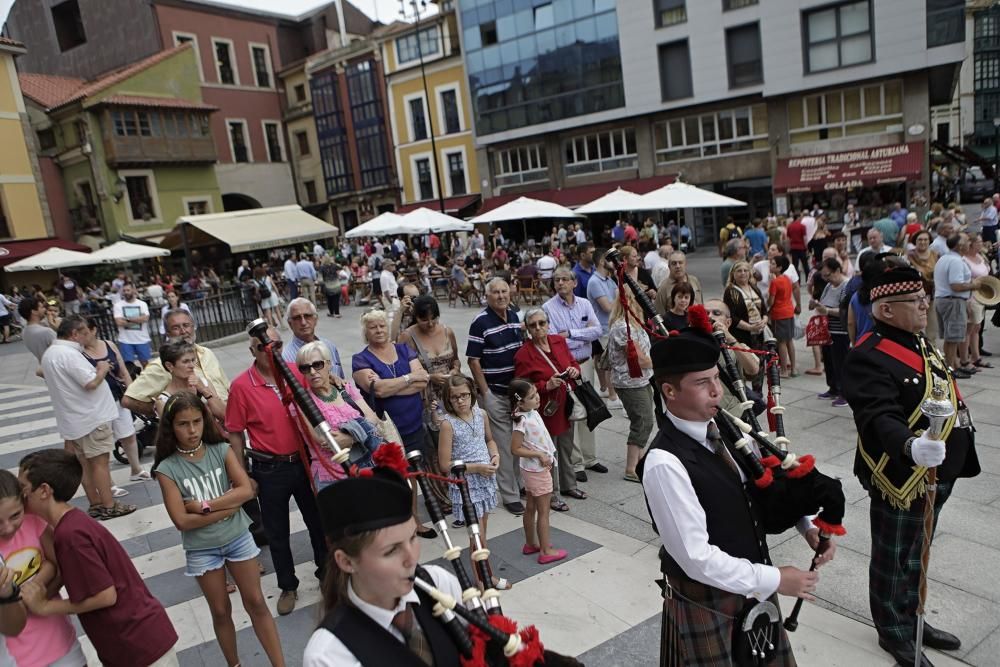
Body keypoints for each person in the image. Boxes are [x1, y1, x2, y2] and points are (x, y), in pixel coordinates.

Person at [638, 320, 831, 666]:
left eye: (716, 377)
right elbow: (695, 557)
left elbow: (764, 483)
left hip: (751, 587)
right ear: (669, 391)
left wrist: (807, 525)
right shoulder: (664, 463)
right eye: (702, 382)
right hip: (709, 599)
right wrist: (775, 579)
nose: (716, 390)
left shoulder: (724, 427)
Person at [842, 266, 980, 667]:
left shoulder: (916, 340)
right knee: (895, 555)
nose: (925, 304)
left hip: (938, 468)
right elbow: (877, 414)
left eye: (924, 298)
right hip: (901, 472)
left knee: (919, 550)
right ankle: (894, 630)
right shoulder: (866, 355)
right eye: (915, 301)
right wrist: (909, 445)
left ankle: (913, 612)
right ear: (885, 309)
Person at [153, 391, 285, 667]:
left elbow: (246, 490)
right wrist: (228, 507)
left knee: (257, 603)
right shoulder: (167, 469)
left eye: (197, 421)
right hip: (202, 548)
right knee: (221, 611)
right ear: (170, 427)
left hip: (237, 538)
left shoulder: (221, 450)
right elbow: (182, 522)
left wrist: (202, 506)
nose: (191, 430)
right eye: (183, 424)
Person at [18, 449, 178, 667]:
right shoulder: (73, 522)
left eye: (23, 489)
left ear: (44, 490)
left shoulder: (69, 536)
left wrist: (45, 607)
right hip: (141, 637)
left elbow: (105, 596)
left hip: (135, 645)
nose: (20, 497)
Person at [301, 464, 468, 666]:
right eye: (391, 550)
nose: (412, 558)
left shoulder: (438, 583)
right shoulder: (329, 655)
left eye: (413, 537)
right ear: (346, 561)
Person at [225, 326, 329, 617]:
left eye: (277, 345)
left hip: (305, 462)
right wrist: (242, 475)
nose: (271, 351)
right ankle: (288, 585)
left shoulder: (297, 373)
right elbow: (234, 433)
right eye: (262, 347)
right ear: (252, 351)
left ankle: (326, 573)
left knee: (317, 522)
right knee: (276, 532)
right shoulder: (241, 386)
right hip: (269, 468)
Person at [351, 310, 437, 539]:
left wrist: (393, 387)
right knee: (391, 477)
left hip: (413, 424)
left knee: (411, 473)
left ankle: (413, 519)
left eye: (382, 326)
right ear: (365, 332)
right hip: (385, 429)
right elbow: (377, 390)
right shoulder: (360, 359)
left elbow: (423, 381)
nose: (379, 330)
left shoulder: (403, 349)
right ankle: (394, 523)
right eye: (373, 327)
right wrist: (408, 379)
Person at [41, 316, 136, 521]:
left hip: (73, 418)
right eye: (84, 332)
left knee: (84, 464)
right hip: (91, 416)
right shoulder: (70, 354)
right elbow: (90, 383)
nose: (88, 336)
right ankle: (110, 506)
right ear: (74, 334)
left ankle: (95, 504)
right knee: (100, 463)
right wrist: (101, 369)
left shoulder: (51, 353)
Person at [0, 468, 84, 667]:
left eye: (15, 516)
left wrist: (36, 590)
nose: (8, 528)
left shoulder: (34, 522)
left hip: (59, 639)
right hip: (15, 654)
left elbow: (57, 564)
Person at [437, 375, 509, 589]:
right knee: (476, 536)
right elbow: (444, 464)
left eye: (465, 395)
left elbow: (489, 439)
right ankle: (483, 580)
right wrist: (475, 467)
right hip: (466, 483)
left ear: (472, 394)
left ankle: (485, 577)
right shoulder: (448, 425)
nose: (461, 401)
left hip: (485, 479)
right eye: (455, 397)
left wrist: (494, 454)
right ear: (448, 400)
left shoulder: (481, 414)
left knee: (482, 533)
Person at [514, 307, 583, 512]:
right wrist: (546, 385)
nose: (538, 328)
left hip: (565, 403)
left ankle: (570, 485)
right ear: (527, 328)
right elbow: (521, 385)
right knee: (547, 451)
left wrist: (574, 370)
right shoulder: (523, 354)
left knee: (566, 446)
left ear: (548, 324)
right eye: (533, 325)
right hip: (545, 408)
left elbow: (573, 363)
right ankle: (551, 494)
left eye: (541, 323)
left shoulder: (558, 341)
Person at [466, 279, 525, 516]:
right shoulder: (480, 322)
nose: (501, 296)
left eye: (504, 291)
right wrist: (486, 393)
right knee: (503, 445)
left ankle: (520, 485)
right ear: (487, 296)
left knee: (519, 442)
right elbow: (473, 360)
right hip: (496, 392)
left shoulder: (513, 316)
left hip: (516, 395)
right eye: (496, 292)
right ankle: (510, 494)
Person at [543, 267, 607, 482]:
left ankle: (590, 458)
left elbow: (598, 331)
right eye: (556, 280)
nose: (560, 283)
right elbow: (553, 340)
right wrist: (583, 335)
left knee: (590, 408)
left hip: (586, 363)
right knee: (573, 412)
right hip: (565, 368)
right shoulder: (548, 308)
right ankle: (576, 463)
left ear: (574, 283)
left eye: (564, 279)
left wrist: (570, 333)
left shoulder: (585, 304)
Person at [295, 341, 383, 490]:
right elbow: (325, 441)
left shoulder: (345, 387)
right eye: (305, 368)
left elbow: (372, 417)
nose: (312, 372)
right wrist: (361, 429)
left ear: (328, 364)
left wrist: (351, 437)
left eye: (317, 365)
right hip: (332, 477)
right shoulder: (302, 403)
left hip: (368, 467)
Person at [123, 309, 231, 417]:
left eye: (186, 325)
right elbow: (128, 400)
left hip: (229, 416)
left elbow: (226, 385)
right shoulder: (160, 365)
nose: (183, 331)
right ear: (168, 333)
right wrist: (168, 413)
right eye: (176, 328)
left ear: (193, 327)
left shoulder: (206, 352)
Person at [81, 317, 150, 481]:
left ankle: (136, 469)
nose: (81, 337)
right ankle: (108, 482)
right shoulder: (79, 353)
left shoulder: (108, 345)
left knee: (128, 433)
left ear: (93, 330)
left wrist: (132, 391)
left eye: (84, 332)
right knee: (103, 442)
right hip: (98, 402)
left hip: (118, 396)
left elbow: (124, 371)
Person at [508, 378, 566, 564]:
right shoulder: (522, 420)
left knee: (532, 506)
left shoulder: (528, 413)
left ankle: (531, 543)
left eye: (536, 394)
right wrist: (539, 455)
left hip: (531, 470)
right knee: (543, 511)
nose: (537, 398)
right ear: (520, 402)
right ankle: (546, 550)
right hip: (536, 470)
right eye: (532, 397)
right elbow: (515, 448)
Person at [606, 285, 654, 482]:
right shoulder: (622, 327)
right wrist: (664, 358)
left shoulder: (634, 322)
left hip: (642, 379)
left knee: (645, 421)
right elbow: (640, 360)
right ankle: (631, 468)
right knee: (643, 422)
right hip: (630, 382)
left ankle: (639, 461)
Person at [398, 296, 461, 437]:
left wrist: (455, 370)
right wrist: (431, 377)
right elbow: (402, 373)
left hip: (451, 393)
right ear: (416, 317)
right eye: (424, 320)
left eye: (434, 318)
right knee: (433, 441)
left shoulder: (447, 331)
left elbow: (456, 360)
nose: (431, 323)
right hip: (425, 398)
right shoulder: (407, 336)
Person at [934, 233, 982, 378]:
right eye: (967, 241)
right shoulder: (955, 261)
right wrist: (974, 285)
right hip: (952, 301)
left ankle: (952, 366)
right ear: (959, 245)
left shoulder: (945, 258)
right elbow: (956, 286)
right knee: (953, 338)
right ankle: (950, 370)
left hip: (946, 300)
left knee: (950, 338)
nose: (969, 243)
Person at [153, 341, 227, 422]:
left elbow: (225, 416)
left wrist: (205, 392)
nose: (192, 366)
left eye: (193, 360)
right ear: (169, 366)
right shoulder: (164, 401)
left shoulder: (204, 383)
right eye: (185, 361)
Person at [813, 258, 849, 407]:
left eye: (828, 275)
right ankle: (833, 387)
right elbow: (823, 302)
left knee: (841, 362)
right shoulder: (829, 286)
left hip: (841, 331)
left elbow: (845, 310)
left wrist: (826, 310)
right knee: (829, 361)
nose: (826, 279)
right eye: (824, 276)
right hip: (827, 330)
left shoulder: (846, 286)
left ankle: (844, 393)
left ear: (837, 271)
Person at [586, 250, 620, 407]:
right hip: (604, 328)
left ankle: (609, 391)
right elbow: (607, 307)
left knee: (607, 360)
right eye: (611, 260)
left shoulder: (609, 279)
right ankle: (613, 397)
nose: (615, 262)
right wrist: (619, 297)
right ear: (602, 262)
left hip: (611, 326)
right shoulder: (594, 282)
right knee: (610, 362)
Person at [281, 298, 345, 379]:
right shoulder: (286, 358)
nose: (303, 322)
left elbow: (342, 381)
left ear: (315, 319)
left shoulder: (330, 346)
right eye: (297, 318)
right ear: (290, 323)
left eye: (307, 316)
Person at [723, 260, 768, 350]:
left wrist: (764, 321)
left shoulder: (754, 288)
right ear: (733, 274)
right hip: (742, 335)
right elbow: (732, 316)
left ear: (749, 273)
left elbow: (764, 310)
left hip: (759, 333)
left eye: (745, 270)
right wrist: (750, 328)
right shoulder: (731, 291)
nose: (743, 273)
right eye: (739, 271)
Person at [768, 255, 797, 377]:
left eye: (773, 264)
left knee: (781, 342)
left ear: (779, 268)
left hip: (779, 314)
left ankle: (784, 370)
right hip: (789, 311)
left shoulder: (774, 282)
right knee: (789, 340)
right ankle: (793, 369)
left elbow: (771, 301)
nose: (771, 265)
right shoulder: (787, 279)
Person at [113, 283, 152, 368]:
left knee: (146, 364)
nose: (126, 292)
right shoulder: (118, 305)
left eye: (128, 290)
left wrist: (127, 319)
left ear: (133, 290)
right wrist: (138, 319)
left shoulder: (142, 304)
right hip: (125, 340)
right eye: (124, 291)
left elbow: (145, 318)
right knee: (128, 365)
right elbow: (119, 322)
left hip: (141, 339)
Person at [17, 295, 55, 363]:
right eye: (42, 307)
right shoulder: (46, 332)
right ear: (34, 311)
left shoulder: (25, 331)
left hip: (45, 366)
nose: (45, 309)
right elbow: (65, 349)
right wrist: (54, 325)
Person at [255, 265, 283, 330]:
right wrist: (278, 295)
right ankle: (282, 324)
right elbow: (274, 286)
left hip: (264, 297)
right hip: (272, 294)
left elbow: (257, 291)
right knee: (277, 310)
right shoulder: (268, 277)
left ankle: (271, 326)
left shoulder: (256, 281)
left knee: (268, 311)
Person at [786, 214, 808, 279]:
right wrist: (806, 247)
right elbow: (804, 238)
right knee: (805, 264)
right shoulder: (802, 226)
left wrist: (789, 247)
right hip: (801, 247)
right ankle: (807, 278)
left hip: (793, 247)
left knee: (795, 265)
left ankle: (797, 280)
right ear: (798, 217)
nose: (802, 219)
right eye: (801, 217)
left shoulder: (789, 226)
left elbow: (788, 238)